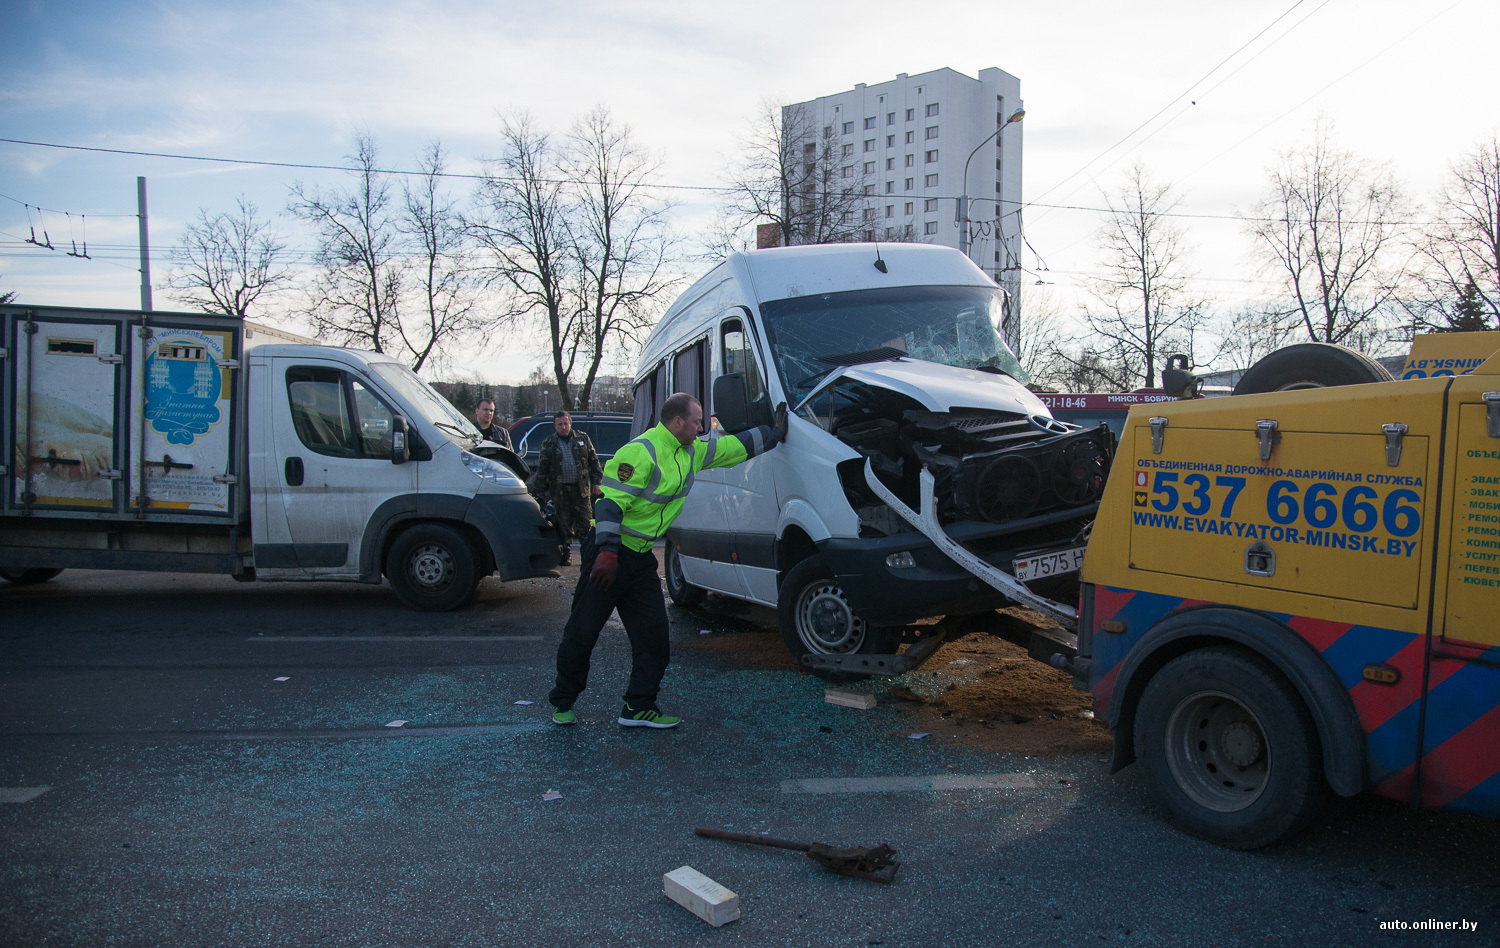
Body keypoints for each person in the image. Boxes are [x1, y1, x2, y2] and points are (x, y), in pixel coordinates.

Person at [548, 392, 787, 729]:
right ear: (677, 422)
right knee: (583, 630)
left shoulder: (692, 452)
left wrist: (774, 433)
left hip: (641, 558)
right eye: (696, 421)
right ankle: (563, 701)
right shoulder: (641, 452)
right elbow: (609, 506)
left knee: (655, 637)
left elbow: (735, 447)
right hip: (610, 555)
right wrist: (606, 552)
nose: (701, 428)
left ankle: (638, 707)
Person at [528, 411, 602, 567]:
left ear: (571, 423)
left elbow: (594, 461)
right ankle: (565, 554)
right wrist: (538, 493)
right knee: (563, 526)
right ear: (555, 426)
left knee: (586, 525)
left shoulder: (582, 438)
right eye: (560, 424)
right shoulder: (549, 443)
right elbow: (542, 470)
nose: (563, 427)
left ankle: (588, 555)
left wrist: (597, 482)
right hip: (560, 492)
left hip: (581, 491)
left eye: (566, 423)